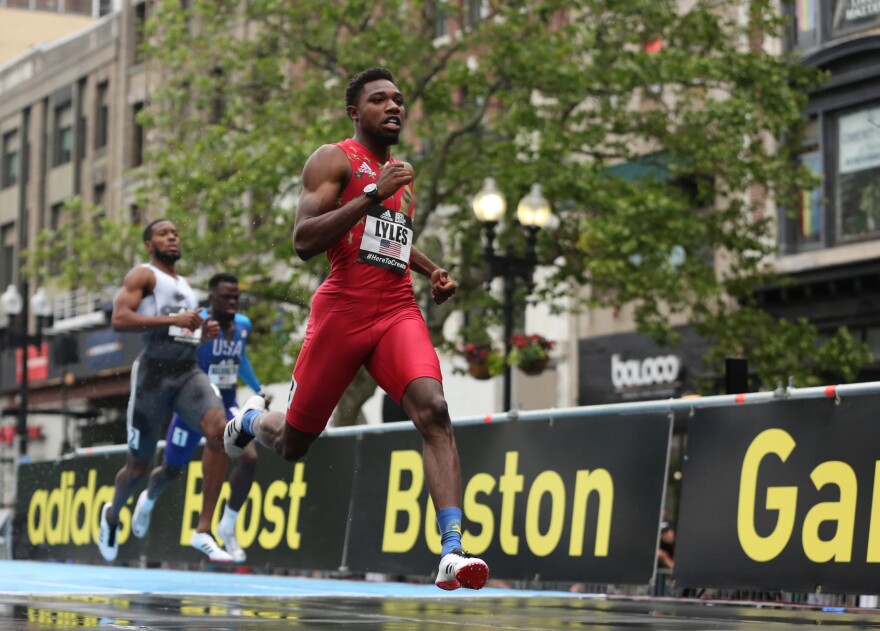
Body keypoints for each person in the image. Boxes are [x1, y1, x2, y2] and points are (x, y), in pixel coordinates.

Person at [223, 67, 489, 590]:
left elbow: (388, 239)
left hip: (395, 309)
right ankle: (252, 421)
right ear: (354, 111)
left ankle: (452, 552)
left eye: (398, 99)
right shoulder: (333, 159)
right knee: (296, 443)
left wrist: (430, 269)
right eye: (378, 100)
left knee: (434, 411)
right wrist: (370, 193)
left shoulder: (402, 178)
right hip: (341, 311)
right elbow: (303, 241)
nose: (393, 107)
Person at [97, 219, 231, 563]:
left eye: (176, 232)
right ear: (149, 244)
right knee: (137, 468)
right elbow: (120, 320)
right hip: (152, 378)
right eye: (163, 233)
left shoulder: (186, 285)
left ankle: (203, 530)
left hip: (187, 373)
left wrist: (204, 332)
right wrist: (174, 321)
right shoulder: (143, 276)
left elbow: (185, 329)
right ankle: (112, 516)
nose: (172, 236)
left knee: (219, 432)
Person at [129, 272, 270, 563]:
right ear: (212, 297)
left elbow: (240, 359)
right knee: (170, 471)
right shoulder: (197, 321)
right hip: (194, 406)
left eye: (236, 297)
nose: (232, 302)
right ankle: (148, 500)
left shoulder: (243, 325)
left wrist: (257, 387)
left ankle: (227, 525)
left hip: (227, 404)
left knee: (249, 457)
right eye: (226, 297)